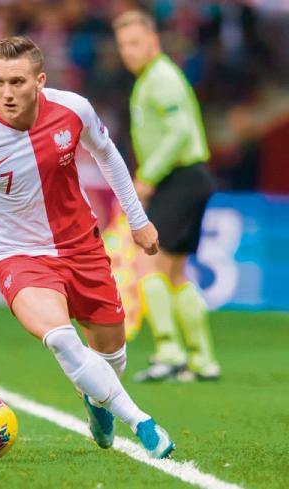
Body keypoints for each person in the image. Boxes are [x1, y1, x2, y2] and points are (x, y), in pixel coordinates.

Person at [0, 36, 174, 459]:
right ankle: (141, 422)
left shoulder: (74, 109)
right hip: (19, 256)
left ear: (39, 81)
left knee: (112, 358)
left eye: (17, 82)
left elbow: (107, 154)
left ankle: (96, 399)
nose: (6, 92)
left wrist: (137, 219)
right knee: (60, 339)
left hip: (82, 248)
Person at [113, 10, 220, 382]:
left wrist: (148, 176)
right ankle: (202, 359)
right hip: (189, 179)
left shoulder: (161, 78)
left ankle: (169, 353)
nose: (128, 51)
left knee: (150, 266)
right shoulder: (154, 77)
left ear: (154, 42)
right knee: (174, 274)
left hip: (179, 179)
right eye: (123, 45)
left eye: (135, 42)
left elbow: (178, 132)